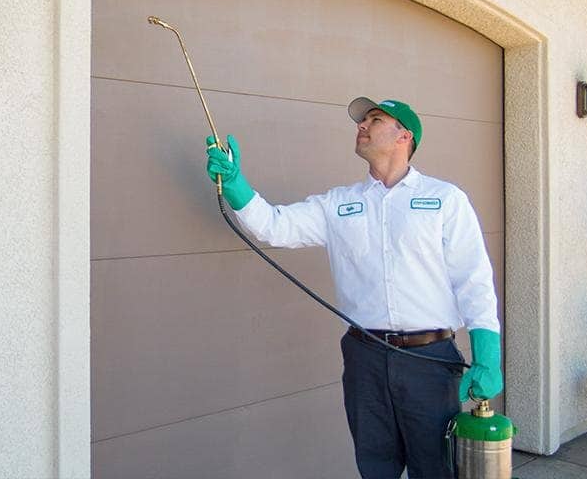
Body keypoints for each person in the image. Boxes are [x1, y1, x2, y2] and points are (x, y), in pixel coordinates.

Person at [205, 97, 503, 479]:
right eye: (361, 121)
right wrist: (234, 185)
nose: (361, 125)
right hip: (365, 359)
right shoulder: (339, 204)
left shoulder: (446, 200)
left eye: (375, 119)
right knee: (375, 464)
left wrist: (487, 356)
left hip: (430, 361)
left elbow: (473, 279)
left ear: (404, 136)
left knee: (436, 467)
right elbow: (274, 226)